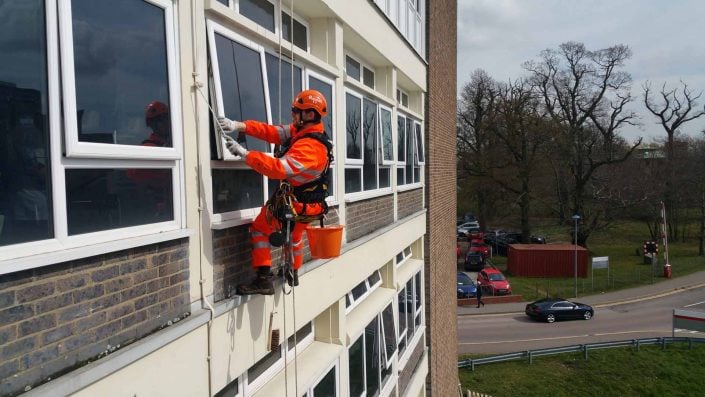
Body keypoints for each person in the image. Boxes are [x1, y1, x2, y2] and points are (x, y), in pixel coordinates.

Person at [218, 90, 333, 295]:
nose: (292, 115)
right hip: (309, 205)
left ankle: (263, 280)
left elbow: (277, 168)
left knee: (260, 229)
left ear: (307, 114)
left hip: (296, 204)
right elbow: (272, 132)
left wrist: (245, 154)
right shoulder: (305, 132)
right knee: (295, 236)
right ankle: (293, 271)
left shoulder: (310, 147)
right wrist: (239, 125)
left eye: (295, 111)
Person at [127, 101, 173, 218]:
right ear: (153, 125)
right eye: (160, 121)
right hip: (156, 206)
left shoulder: (170, 145)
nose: (165, 124)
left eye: (166, 119)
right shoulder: (149, 149)